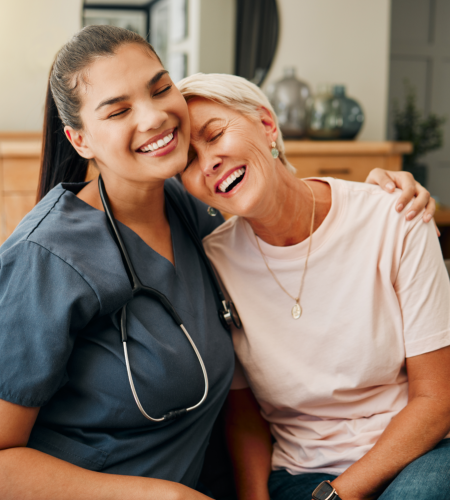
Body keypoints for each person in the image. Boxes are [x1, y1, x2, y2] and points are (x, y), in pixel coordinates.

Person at [0, 25, 436, 500]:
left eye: (160, 88)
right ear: (80, 139)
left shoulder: (191, 204)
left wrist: (376, 195)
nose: (153, 117)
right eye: (119, 110)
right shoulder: (44, 258)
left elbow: (279, 200)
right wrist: (160, 496)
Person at [177, 73, 450, 500]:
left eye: (214, 136)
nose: (207, 162)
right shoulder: (213, 263)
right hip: (300, 476)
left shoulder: (394, 217)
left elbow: (437, 400)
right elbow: (244, 412)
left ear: (267, 125)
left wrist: (337, 496)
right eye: (187, 162)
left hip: (419, 457)